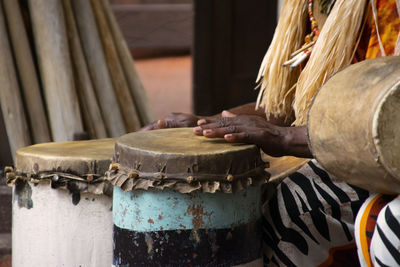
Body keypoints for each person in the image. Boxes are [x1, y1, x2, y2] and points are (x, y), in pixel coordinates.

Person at [143, 0, 400, 265]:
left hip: (381, 161)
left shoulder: (387, 10)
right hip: (339, 147)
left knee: (293, 207)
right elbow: (295, 105)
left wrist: (286, 138)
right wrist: (210, 123)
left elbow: (388, 123)